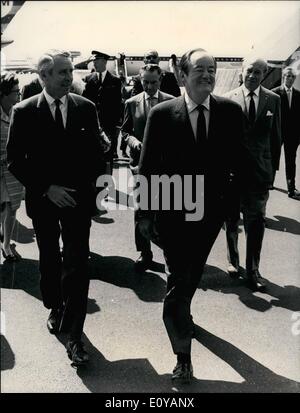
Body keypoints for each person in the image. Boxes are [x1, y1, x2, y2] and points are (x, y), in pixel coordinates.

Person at [138, 48, 245, 383]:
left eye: (212, 69)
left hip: (210, 217)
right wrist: (144, 215)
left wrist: (232, 210)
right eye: (200, 69)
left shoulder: (230, 112)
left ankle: (183, 311)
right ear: (182, 76)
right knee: (177, 281)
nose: (208, 75)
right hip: (171, 213)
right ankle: (182, 355)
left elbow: (237, 165)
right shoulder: (162, 114)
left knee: (189, 277)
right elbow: (148, 169)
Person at [7, 50, 110, 366]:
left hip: (77, 203)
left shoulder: (86, 108)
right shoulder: (24, 111)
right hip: (44, 201)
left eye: (70, 71)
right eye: (63, 72)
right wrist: (46, 188)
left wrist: (93, 196)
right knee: (50, 259)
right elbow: (14, 159)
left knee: (78, 263)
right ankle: (54, 304)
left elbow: (96, 156)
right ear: (44, 76)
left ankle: (76, 336)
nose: (69, 77)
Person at [224, 57, 281, 290]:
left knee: (256, 224)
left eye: (258, 72)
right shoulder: (228, 99)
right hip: (232, 175)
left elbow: (276, 139)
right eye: (250, 70)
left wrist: (271, 174)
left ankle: (253, 270)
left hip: (259, 175)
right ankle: (233, 261)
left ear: (264, 74)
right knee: (230, 220)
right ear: (242, 71)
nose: (253, 75)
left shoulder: (273, 100)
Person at [121, 64, 174, 272]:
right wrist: (133, 142)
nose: (150, 86)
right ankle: (144, 252)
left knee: (166, 209)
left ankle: (170, 252)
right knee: (141, 211)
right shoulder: (131, 103)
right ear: (140, 81)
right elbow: (125, 131)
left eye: (154, 82)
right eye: (145, 82)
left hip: (165, 166)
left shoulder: (171, 101)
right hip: (140, 166)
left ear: (160, 80)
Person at [83, 50, 122, 170]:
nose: (94, 63)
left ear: (104, 61)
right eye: (93, 61)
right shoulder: (88, 79)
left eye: (96, 61)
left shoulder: (115, 80)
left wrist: (117, 123)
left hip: (109, 123)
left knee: (108, 154)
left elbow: (118, 103)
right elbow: (84, 101)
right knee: (93, 152)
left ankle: (108, 182)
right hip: (93, 122)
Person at [0, 72, 24, 261]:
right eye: (15, 91)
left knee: (12, 208)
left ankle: (6, 244)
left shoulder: (19, 112)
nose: (18, 95)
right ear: (4, 93)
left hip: (13, 170)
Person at [272, 66, 300, 199]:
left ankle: (291, 188)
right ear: (283, 77)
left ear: (294, 78)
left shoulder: (299, 95)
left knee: (291, 160)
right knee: (273, 156)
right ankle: (269, 183)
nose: (289, 78)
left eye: (292, 76)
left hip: (293, 134)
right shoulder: (275, 93)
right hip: (277, 131)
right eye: (287, 76)